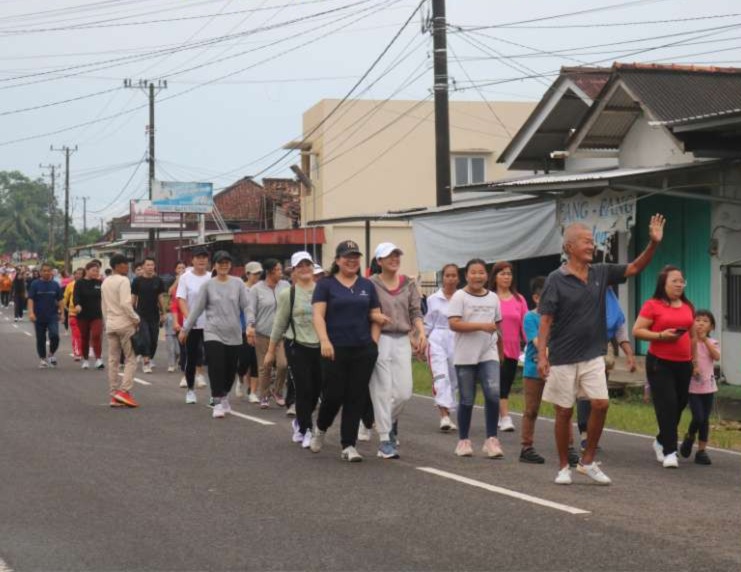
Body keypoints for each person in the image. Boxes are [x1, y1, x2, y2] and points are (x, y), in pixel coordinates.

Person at [539, 215, 665, 486]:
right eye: (586, 241)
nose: (591, 246)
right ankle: (563, 466)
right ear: (569, 247)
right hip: (562, 357)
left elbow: (633, 268)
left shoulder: (601, 272)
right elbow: (546, 319)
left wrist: (653, 244)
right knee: (563, 412)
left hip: (593, 354)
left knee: (601, 404)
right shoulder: (555, 279)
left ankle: (587, 461)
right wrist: (541, 355)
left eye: (592, 241)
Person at [310, 240, 387, 462]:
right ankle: (321, 428)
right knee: (333, 395)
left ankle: (348, 445)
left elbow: (375, 315)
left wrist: (373, 343)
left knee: (356, 396)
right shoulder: (326, 285)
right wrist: (324, 340)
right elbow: (318, 315)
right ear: (337, 260)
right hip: (334, 349)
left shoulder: (366, 285)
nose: (351, 260)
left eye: (355, 256)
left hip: (363, 349)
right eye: (347, 257)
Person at [633, 264, 696, 469]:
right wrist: (661, 335)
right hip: (660, 362)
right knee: (667, 405)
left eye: (681, 281)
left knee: (679, 404)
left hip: (684, 364)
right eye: (674, 281)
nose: (679, 284)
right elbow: (638, 331)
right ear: (664, 283)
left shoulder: (688, 306)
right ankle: (670, 451)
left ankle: (660, 440)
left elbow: (693, 335)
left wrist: (693, 360)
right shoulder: (653, 305)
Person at [368, 242, 426, 460]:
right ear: (379, 261)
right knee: (381, 391)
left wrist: (421, 332)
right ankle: (384, 440)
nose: (394, 259)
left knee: (404, 392)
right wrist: (374, 317)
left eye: (397, 255)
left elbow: (415, 311)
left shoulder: (409, 284)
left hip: (402, 339)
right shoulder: (370, 284)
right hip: (379, 338)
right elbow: (365, 310)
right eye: (388, 256)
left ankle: (384, 422)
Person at [179, 251, 251, 419]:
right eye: (220, 263)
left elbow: (246, 307)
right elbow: (196, 309)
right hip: (213, 331)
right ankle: (217, 401)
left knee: (230, 369)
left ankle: (224, 395)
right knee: (216, 366)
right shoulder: (208, 285)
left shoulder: (238, 283)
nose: (224, 265)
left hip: (233, 332)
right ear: (215, 265)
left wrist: (250, 324)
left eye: (227, 262)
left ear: (230, 265)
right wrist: (185, 328)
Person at [448, 258, 504, 459]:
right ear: (466, 275)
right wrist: (481, 326)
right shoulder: (459, 297)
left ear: (487, 276)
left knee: (493, 393)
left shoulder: (493, 298)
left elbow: (498, 325)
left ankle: (491, 439)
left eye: (481, 273)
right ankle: (463, 440)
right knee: (467, 398)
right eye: (473, 272)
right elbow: (454, 324)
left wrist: (501, 349)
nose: (477, 276)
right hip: (465, 354)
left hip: (488, 352)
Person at [265, 252, 322, 448]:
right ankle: (306, 429)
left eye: (308, 264)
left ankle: (299, 420)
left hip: (321, 346)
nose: (305, 268)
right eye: (300, 266)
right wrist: (271, 351)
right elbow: (279, 324)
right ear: (294, 270)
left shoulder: (323, 291)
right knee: (304, 389)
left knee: (317, 391)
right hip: (296, 345)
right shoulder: (288, 294)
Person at [576, 288, 637, 450]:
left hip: (603, 350)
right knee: (584, 393)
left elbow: (620, 331)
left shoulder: (612, 302)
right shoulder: (580, 293)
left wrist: (630, 355)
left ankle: (592, 436)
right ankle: (584, 434)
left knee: (599, 396)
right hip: (580, 347)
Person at [488, 261, 528, 432]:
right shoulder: (489, 298)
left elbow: (525, 326)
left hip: (512, 349)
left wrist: (531, 345)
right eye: (502, 273)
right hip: (491, 347)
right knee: (498, 384)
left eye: (509, 274)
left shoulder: (519, 299)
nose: (506, 277)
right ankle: (505, 417)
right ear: (495, 277)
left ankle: (498, 413)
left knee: (506, 383)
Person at [246, 258, 290, 409]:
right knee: (265, 366)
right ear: (270, 272)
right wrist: (250, 327)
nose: (281, 273)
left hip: (281, 335)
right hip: (262, 333)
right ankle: (264, 395)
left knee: (283, 364)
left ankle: (277, 391)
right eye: (278, 270)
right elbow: (250, 310)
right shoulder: (256, 289)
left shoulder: (285, 286)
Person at [680, 309, 720, 465]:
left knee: (705, 420)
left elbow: (716, 356)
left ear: (711, 327)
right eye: (697, 320)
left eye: (705, 321)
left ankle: (702, 451)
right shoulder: (688, 341)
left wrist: (706, 340)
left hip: (709, 387)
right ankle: (690, 437)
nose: (701, 323)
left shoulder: (712, 342)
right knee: (698, 417)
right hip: (692, 387)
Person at [102, 254, 141, 408]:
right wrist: (136, 318)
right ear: (117, 266)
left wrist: (107, 322)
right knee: (130, 358)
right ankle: (124, 391)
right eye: (125, 264)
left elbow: (103, 305)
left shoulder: (105, 282)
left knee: (113, 360)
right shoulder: (124, 280)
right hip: (125, 324)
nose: (127, 266)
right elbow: (126, 304)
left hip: (111, 323)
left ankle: (113, 394)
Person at [424, 263, 460, 432]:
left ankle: (449, 414)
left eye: (454, 275)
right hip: (437, 338)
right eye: (447, 275)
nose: (450, 279)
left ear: (458, 278)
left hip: (457, 339)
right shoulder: (433, 299)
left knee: (453, 378)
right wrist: (421, 341)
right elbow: (428, 323)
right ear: (442, 277)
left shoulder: (462, 297)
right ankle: (443, 416)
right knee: (441, 375)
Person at [176, 248, 212, 404]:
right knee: (191, 358)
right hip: (192, 325)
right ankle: (191, 390)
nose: (202, 261)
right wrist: (189, 319)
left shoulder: (212, 277)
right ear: (193, 260)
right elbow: (181, 299)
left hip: (211, 325)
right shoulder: (185, 278)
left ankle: (215, 393)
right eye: (199, 258)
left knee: (212, 360)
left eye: (204, 258)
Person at [131, 256, 166, 374]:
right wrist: (132, 314)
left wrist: (163, 313)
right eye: (148, 265)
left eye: (152, 265)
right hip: (141, 314)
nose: (150, 267)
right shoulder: (137, 281)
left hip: (154, 314)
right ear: (143, 267)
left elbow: (160, 298)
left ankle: (148, 357)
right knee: (145, 337)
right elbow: (134, 298)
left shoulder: (158, 281)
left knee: (154, 340)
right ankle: (146, 362)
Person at [27, 262, 64, 368]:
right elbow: (31, 299)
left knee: (55, 336)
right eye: (44, 271)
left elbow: (60, 300)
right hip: (38, 316)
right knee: (41, 338)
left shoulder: (55, 285)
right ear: (40, 272)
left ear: (52, 272)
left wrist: (62, 314)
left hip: (52, 316)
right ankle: (43, 359)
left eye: (49, 270)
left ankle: (51, 354)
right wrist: (31, 312)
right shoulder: (35, 284)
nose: (46, 272)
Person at [236, 261, 262, 402]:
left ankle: (253, 392)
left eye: (259, 273)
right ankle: (239, 378)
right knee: (244, 360)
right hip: (242, 329)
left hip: (260, 329)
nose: (257, 276)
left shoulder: (261, 288)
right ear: (247, 274)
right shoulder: (241, 289)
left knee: (255, 361)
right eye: (254, 273)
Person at [74, 261, 104, 370]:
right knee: (84, 337)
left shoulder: (99, 283)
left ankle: (98, 359)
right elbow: (76, 296)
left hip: (96, 315)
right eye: (93, 270)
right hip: (83, 315)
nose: (96, 273)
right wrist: (77, 305)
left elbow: (105, 297)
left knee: (96, 335)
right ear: (87, 270)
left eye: (97, 271)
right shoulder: (79, 283)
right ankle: (85, 359)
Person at [165, 261, 186, 374]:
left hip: (185, 316)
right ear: (175, 270)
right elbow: (169, 292)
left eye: (183, 268)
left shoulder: (189, 281)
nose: (181, 270)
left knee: (180, 346)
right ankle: (171, 364)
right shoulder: (171, 280)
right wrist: (178, 280)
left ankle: (179, 358)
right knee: (170, 341)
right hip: (172, 315)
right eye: (179, 268)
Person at [63, 268, 85, 361]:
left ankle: (84, 351)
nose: (79, 275)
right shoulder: (70, 285)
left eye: (81, 274)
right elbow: (65, 299)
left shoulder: (86, 285)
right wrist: (65, 309)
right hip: (73, 313)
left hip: (85, 314)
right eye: (77, 273)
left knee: (84, 334)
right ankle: (77, 353)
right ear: (74, 275)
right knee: (76, 334)